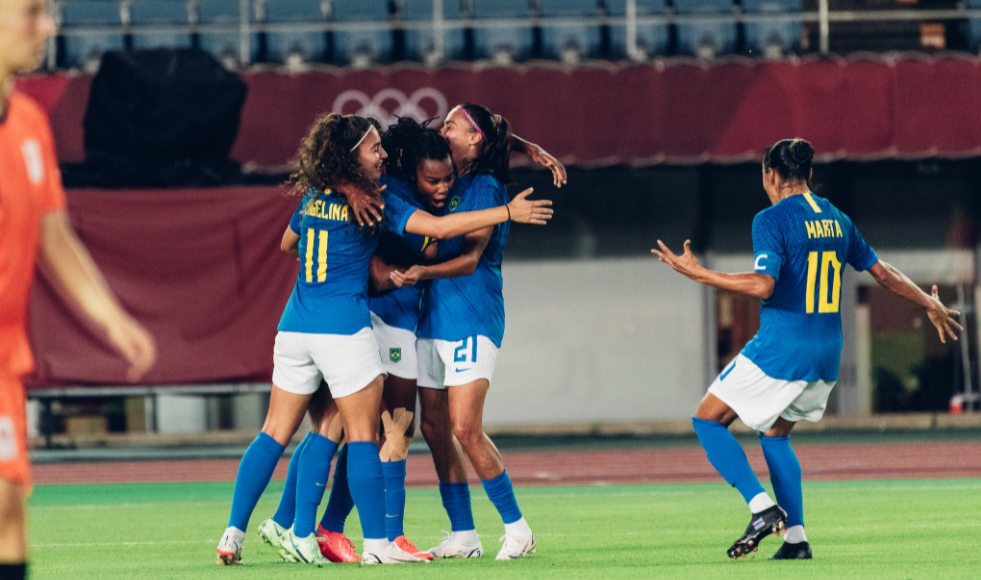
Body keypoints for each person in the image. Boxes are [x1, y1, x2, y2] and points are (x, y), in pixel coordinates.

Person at [215, 112, 552, 566]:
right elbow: (437, 231)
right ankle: (375, 541)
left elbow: (287, 245)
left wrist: (521, 144)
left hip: (295, 324)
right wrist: (509, 211)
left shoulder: (318, 193)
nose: (383, 155)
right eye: (374, 150)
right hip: (354, 324)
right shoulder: (380, 196)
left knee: (285, 432)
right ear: (357, 158)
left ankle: (242, 533)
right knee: (367, 433)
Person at [651, 138, 962, 561]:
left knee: (707, 420)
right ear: (810, 175)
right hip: (827, 354)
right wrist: (930, 303)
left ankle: (761, 509)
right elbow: (883, 274)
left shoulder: (771, 219)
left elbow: (764, 285)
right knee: (775, 434)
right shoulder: (838, 219)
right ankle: (795, 539)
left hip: (783, 347)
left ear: (771, 175)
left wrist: (701, 274)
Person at [0, 1, 157, 579]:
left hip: (3, 363)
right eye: (32, 11)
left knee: (8, 512)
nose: (47, 27)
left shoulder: (29, 124)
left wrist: (113, 319)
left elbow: (54, 235)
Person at [395, 103, 539, 561]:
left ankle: (517, 528)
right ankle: (464, 534)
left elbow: (471, 260)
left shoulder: (483, 186)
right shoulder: (450, 182)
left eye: (453, 125)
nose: (444, 129)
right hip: (433, 319)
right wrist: (532, 146)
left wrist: (421, 270)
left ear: (474, 139)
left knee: (464, 426)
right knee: (435, 427)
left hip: (472, 316)